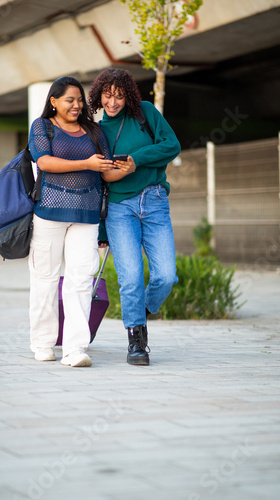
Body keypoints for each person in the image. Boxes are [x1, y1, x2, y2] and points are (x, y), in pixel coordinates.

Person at [88, 68, 181, 366]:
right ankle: (136, 342)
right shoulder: (98, 131)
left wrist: (135, 162)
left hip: (153, 201)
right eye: (107, 95)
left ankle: (140, 309)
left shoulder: (146, 113)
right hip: (119, 209)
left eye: (119, 95)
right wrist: (102, 231)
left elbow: (171, 146)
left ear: (128, 94)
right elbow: (100, 182)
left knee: (166, 275)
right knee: (130, 278)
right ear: (98, 95)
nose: (113, 102)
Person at [28, 76, 113, 367]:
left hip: (87, 215)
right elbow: (44, 162)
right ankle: (43, 343)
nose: (77, 105)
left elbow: (106, 171)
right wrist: (86, 163)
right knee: (45, 278)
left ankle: (75, 349)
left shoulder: (95, 131)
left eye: (80, 100)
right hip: (49, 212)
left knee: (80, 280)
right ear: (53, 101)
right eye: (70, 100)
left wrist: (125, 167)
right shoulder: (43, 127)